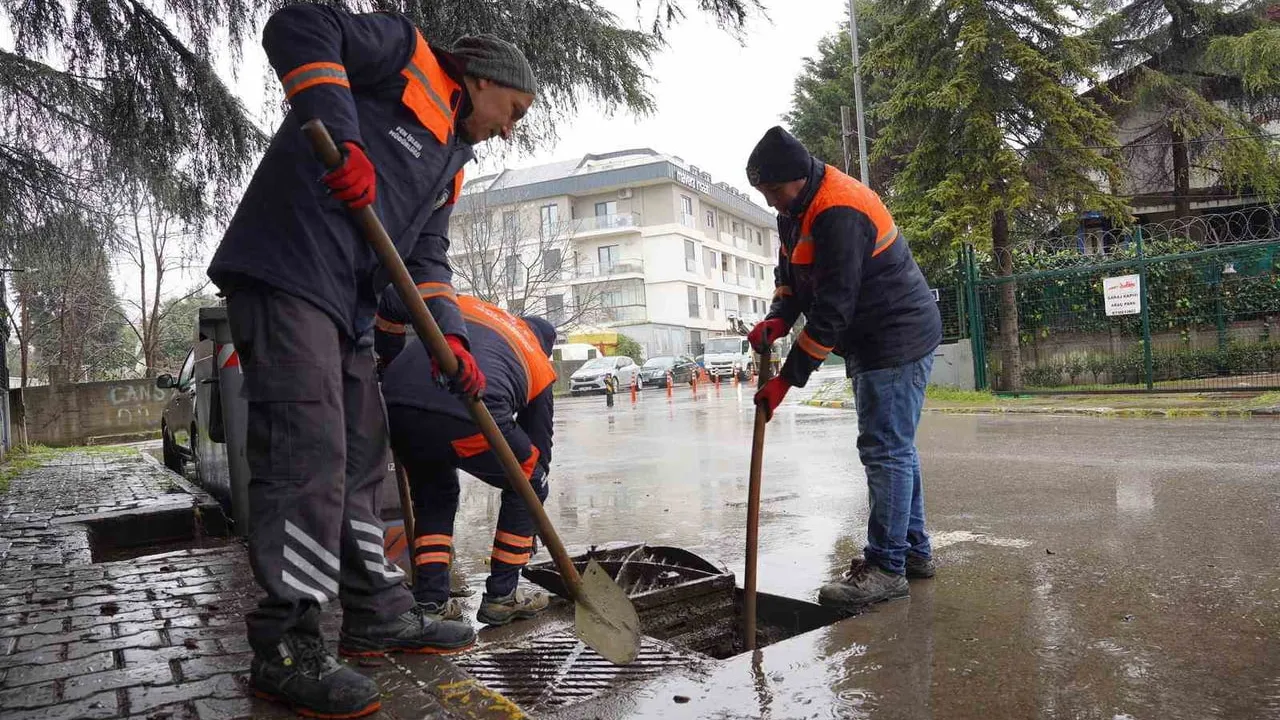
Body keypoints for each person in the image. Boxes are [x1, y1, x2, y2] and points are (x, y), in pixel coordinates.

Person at [204, 4, 538, 717]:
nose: (511, 129)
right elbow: (298, 26)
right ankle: (286, 644)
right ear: (481, 80)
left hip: (349, 303)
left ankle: (376, 612)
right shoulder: (404, 53)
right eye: (513, 111)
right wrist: (346, 140)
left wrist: (451, 339)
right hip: (290, 270)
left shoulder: (450, 162)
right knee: (308, 453)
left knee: (362, 458)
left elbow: (427, 261)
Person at [744, 126, 943, 612]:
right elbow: (790, 275)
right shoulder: (794, 210)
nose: (771, 202)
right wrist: (778, 317)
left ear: (796, 177)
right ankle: (913, 551)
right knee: (895, 448)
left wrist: (786, 380)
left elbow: (833, 309)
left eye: (773, 190)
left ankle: (886, 568)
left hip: (895, 334)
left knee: (885, 450)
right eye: (764, 193)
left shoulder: (839, 209)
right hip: (875, 334)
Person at [375, 294, 556, 627]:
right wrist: (527, 519)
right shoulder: (537, 359)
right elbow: (538, 451)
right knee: (530, 481)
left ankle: (430, 602)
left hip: (395, 404)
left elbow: (391, 301)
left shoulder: (468, 306)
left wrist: (389, 359)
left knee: (435, 496)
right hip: (465, 406)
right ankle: (502, 596)